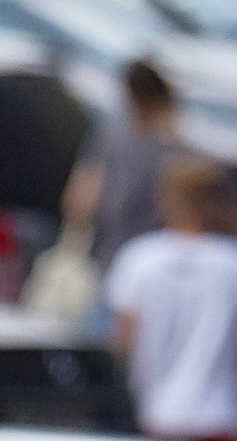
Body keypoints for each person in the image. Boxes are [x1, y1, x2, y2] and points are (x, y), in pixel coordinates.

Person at [104, 152, 237, 441]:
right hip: (220, 415)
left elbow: (122, 342)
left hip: (153, 415)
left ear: (163, 199)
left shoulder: (138, 258)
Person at [62, 51, 184, 276]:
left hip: (110, 257)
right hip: (159, 266)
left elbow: (81, 200)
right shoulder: (181, 151)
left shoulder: (111, 137)